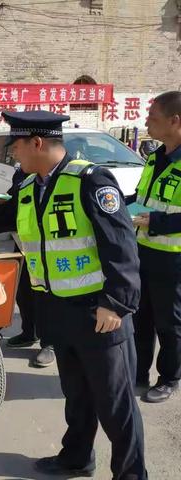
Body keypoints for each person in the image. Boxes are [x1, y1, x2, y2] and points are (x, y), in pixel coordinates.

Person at [0, 111, 147, 479]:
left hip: (99, 313)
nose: (14, 154)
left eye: (16, 146)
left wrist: (116, 303)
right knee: (76, 396)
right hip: (60, 312)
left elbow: (121, 246)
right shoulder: (30, 188)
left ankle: (131, 475)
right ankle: (76, 457)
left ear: (37, 143)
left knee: (115, 405)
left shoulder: (90, 182)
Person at [131, 91, 181, 403]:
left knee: (170, 322)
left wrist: (158, 222)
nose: (146, 122)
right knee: (140, 317)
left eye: (153, 118)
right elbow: (141, 200)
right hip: (143, 250)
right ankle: (137, 372)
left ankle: (170, 377)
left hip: (173, 258)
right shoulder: (154, 156)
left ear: (175, 122)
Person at [5, 167, 55, 367]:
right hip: (23, 242)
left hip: (48, 249)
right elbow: (14, 198)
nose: (14, 153)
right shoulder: (22, 173)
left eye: (17, 146)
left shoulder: (58, 176)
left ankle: (49, 343)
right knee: (24, 292)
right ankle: (29, 333)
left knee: (45, 297)